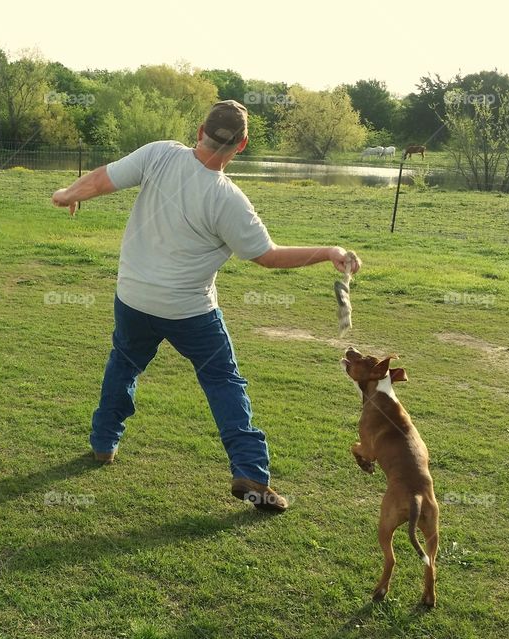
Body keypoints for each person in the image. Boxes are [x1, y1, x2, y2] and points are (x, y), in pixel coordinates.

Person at [51, 100, 361, 513]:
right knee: (223, 382)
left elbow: (103, 180)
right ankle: (250, 470)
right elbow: (267, 256)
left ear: (200, 130)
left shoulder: (159, 153)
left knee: (124, 364)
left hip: (133, 298)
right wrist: (328, 251)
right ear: (243, 144)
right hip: (189, 310)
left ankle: (104, 445)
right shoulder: (229, 201)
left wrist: (67, 193)